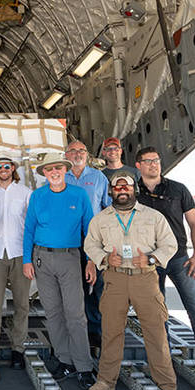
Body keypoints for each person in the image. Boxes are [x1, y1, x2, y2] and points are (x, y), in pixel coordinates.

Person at [134, 146, 195, 379]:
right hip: (149, 260)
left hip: (179, 257)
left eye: (156, 160)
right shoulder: (134, 193)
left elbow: (194, 224)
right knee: (156, 312)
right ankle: (161, 362)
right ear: (138, 166)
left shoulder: (178, 189)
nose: (154, 164)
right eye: (148, 161)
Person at [84, 171, 182, 390]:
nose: (122, 191)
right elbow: (90, 244)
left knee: (155, 332)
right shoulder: (101, 219)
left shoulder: (153, 217)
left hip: (145, 279)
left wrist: (150, 259)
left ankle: (167, 387)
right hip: (115, 279)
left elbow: (170, 244)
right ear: (111, 192)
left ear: (133, 190)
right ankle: (106, 381)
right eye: (117, 188)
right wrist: (105, 259)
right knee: (111, 332)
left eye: (126, 187)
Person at [22, 152, 96, 388]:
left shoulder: (79, 195)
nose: (54, 172)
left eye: (58, 168)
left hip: (70, 258)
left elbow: (90, 231)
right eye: (49, 169)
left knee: (75, 314)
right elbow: (29, 230)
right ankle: (65, 360)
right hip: (42, 258)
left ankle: (84, 366)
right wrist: (27, 260)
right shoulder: (38, 196)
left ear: (65, 170)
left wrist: (91, 260)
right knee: (52, 313)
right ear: (44, 173)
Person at [0, 156, 32, 369]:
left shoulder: (26, 193)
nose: (3, 169)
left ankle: (18, 348)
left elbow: (31, 222)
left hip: (19, 252)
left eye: (7, 166)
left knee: (22, 303)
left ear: (13, 168)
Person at [64, 139, 110, 349]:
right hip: (68, 241)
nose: (77, 154)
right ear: (66, 155)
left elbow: (109, 208)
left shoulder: (98, 177)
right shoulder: (59, 176)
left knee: (97, 287)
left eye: (81, 150)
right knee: (74, 289)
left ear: (87, 154)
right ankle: (74, 333)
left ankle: (95, 332)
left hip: (94, 240)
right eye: (73, 151)